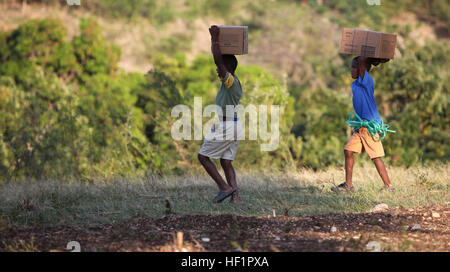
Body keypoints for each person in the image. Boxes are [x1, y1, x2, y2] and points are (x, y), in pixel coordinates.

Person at [332, 56, 394, 193]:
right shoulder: (355, 84)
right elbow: (362, 63)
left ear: (363, 69)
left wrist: (369, 58)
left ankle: (389, 186)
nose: (352, 70)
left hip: (370, 127)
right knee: (348, 150)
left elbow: (362, 62)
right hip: (360, 126)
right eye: (351, 67)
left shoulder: (366, 81)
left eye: (355, 67)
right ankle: (348, 186)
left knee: (376, 157)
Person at [198, 25, 243, 203]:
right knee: (226, 162)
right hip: (234, 125)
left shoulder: (230, 80)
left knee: (202, 157)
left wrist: (215, 38)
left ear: (229, 67)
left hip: (227, 126)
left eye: (223, 66)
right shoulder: (230, 83)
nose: (218, 69)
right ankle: (236, 197)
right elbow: (219, 63)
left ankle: (225, 188)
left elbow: (218, 61)